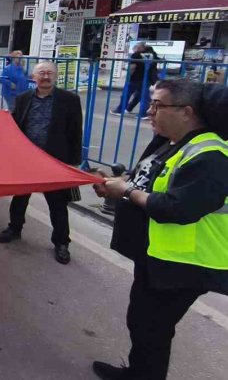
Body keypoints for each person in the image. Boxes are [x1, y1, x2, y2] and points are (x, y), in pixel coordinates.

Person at [91, 79, 228, 380]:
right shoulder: (172, 141)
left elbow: (176, 208)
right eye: (151, 103)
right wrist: (114, 185)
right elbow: (145, 179)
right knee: (142, 322)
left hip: (186, 264)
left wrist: (125, 192)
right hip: (158, 254)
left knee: (152, 328)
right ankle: (137, 373)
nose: (149, 112)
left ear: (186, 112)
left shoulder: (211, 155)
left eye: (158, 105)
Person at [0, 62, 83, 264]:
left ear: (56, 76)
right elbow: (13, 127)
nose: (45, 76)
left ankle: (61, 243)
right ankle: (15, 228)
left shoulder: (69, 100)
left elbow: (75, 132)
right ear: (33, 77)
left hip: (54, 159)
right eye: (41, 73)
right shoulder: (23, 98)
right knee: (20, 197)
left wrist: (74, 163)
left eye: (50, 73)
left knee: (57, 203)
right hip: (27, 158)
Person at [113, 42, 160, 118]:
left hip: (135, 78)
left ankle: (120, 110)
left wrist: (127, 76)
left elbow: (132, 67)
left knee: (126, 94)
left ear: (138, 48)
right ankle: (142, 113)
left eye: (134, 49)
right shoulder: (152, 55)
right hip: (147, 79)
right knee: (143, 96)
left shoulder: (136, 55)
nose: (134, 50)